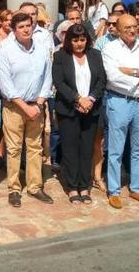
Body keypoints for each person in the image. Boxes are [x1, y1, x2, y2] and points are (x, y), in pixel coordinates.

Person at [101, 14, 139, 209]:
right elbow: (112, 76)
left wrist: (132, 71)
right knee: (116, 149)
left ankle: (136, 188)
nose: (131, 30)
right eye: (126, 27)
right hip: (118, 101)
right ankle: (114, 190)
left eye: (134, 26)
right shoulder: (110, 48)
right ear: (118, 30)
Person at [0, 12, 54, 207]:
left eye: (28, 25)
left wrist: (38, 104)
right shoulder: (6, 50)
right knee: (13, 149)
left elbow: (48, 77)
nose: (26, 29)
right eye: (21, 27)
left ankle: (35, 186)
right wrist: (24, 107)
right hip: (14, 107)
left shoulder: (42, 49)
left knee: (35, 147)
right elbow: (5, 84)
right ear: (14, 30)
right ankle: (14, 188)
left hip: (36, 106)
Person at [52, 24, 105, 204]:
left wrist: (90, 99)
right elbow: (59, 82)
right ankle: (72, 187)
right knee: (70, 148)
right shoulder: (60, 56)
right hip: (68, 110)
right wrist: (77, 99)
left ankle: (85, 185)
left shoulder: (95, 55)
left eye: (82, 40)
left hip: (91, 108)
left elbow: (101, 80)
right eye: (75, 40)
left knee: (87, 148)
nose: (79, 44)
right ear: (69, 41)